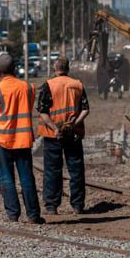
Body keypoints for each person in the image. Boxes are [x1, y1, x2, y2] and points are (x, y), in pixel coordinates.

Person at [0, 53, 43, 224]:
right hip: (22, 140)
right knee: (26, 177)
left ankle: (13, 214)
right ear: (14, 68)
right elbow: (29, 104)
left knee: (6, 177)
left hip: (2, 140)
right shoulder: (28, 88)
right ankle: (33, 215)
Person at [37, 56, 90, 215]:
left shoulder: (48, 85)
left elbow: (43, 112)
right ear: (68, 68)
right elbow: (86, 109)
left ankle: (52, 206)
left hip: (53, 135)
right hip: (73, 134)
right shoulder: (77, 85)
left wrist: (54, 128)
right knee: (76, 169)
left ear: (55, 68)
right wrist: (73, 124)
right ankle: (77, 205)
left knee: (52, 170)